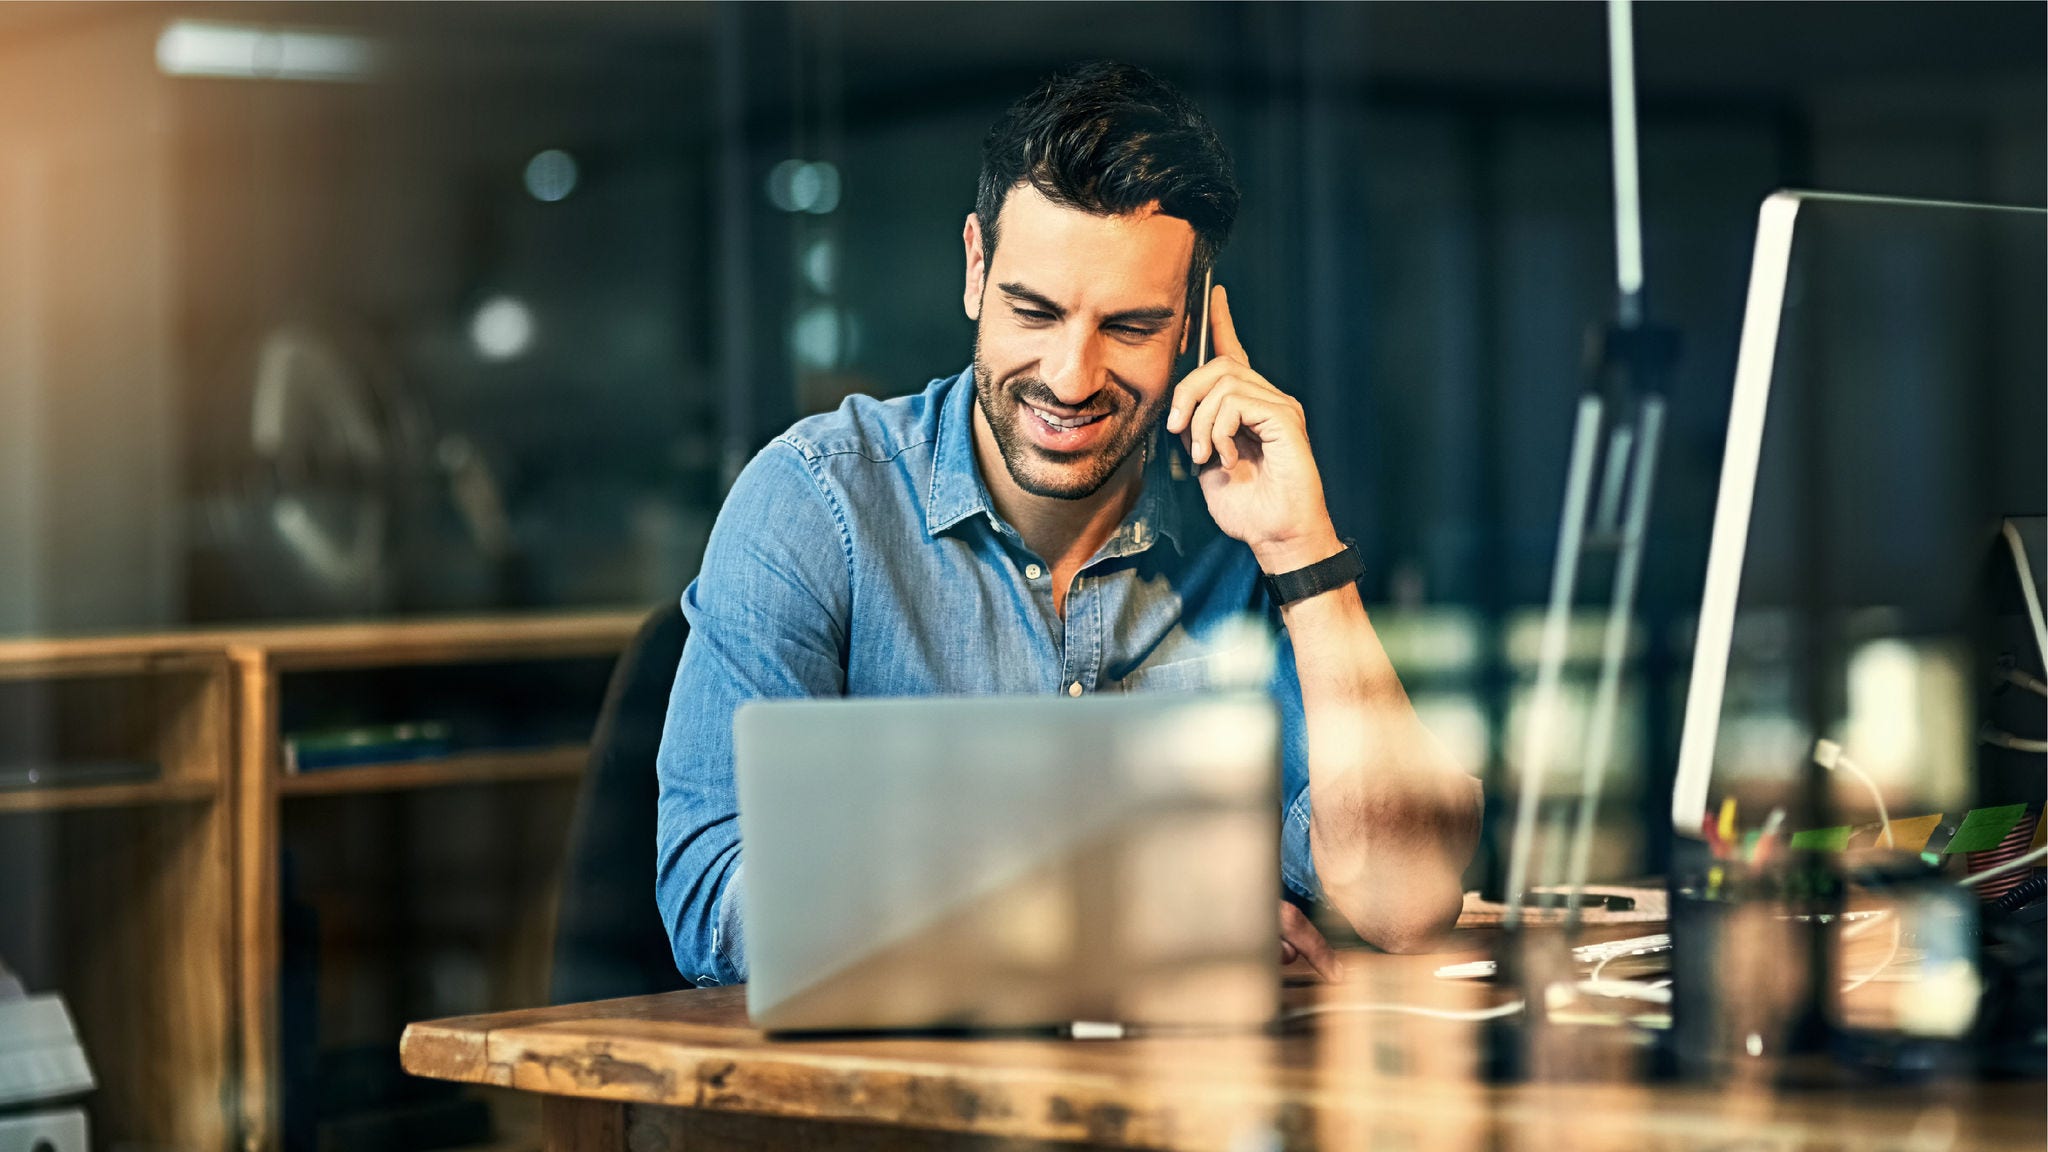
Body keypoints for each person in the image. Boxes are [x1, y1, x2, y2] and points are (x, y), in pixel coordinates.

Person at [657, 60, 1481, 989]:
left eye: (1130, 326)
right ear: (976, 268)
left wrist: (1301, 553)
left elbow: (1404, 902)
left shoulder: (1244, 537)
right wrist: (1133, 919)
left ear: (1195, 328)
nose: (1072, 376)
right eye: (1033, 311)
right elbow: (715, 903)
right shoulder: (818, 503)